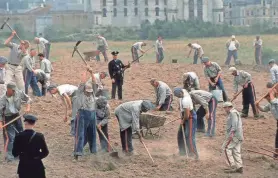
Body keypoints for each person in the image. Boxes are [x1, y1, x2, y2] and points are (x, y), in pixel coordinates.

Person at [0, 82, 31, 162]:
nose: (14, 92)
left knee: (20, 134)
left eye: (14, 90)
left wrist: (28, 107)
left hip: (17, 116)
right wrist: (0, 123)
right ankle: (9, 157)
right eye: (12, 90)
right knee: (10, 138)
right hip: (7, 118)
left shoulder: (18, 93)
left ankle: (18, 153)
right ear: (8, 90)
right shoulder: (2, 99)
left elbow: (28, 99)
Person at [73, 69, 97, 160]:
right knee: (80, 133)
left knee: (92, 134)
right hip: (82, 113)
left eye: (90, 92)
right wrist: (85, 71)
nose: (89, 93)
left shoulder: (93, 93)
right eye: (87, 91)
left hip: (92, 114)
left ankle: (93, 151)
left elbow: (94, 83)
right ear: (84, 90)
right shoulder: (80, 93)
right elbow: (82, 82)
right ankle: (78, 152)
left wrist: (91, 72)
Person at [173, 88, 198, 159]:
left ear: (181, 93)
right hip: (184, 114)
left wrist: (183, 121)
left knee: (189, 136)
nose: (179, 97)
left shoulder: (186, 100)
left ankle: (194, 155)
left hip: (190, 117)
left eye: (179, 96)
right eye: (177, 96)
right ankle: (182, 152)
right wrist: (180, 108)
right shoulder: (183, 91)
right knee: (180, 135)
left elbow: (187, 115)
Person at [256, 82, 278, 158]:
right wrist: (258, 106)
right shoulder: (270, 104)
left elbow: (274, 101)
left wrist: (271, 93)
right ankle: (275, 155)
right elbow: (264, 109)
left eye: (267, 98)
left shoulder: (276, 101)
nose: (267, 100)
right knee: (277, 140)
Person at [222, 102, 243, 174]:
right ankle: (239, 167)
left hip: (234, 135)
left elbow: (234, 124)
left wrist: (231, 134)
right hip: (239, 135)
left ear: (228, 107)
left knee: (225, 148)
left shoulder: (232, 113)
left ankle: (232, 166)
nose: (224, 109)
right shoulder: (235, 112)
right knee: (236, 150)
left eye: (225, 108)